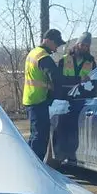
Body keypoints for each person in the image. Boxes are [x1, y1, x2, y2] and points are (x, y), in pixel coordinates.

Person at [22, 28, 65, 161]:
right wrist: (58, 95)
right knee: (40, 137)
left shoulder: (34, 53)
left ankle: (29, 162)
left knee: (35, 135)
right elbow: (56, 78)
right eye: (56, 43)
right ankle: (35, 166)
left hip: (31, 99)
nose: (57, 47)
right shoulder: (43, 57)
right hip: (38, 100)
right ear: (47, 40)